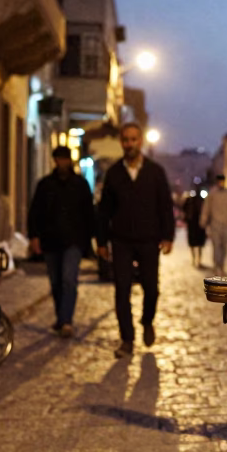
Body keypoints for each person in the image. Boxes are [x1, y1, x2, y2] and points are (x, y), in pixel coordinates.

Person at [96, 123, 175, 358]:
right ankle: (127, 339)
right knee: (122, 290)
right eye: (125, 140)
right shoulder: (114, 173)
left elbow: (165, 206)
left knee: (152, 288)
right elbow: (104, 210)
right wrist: (101, 241)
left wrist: (167, 236)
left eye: (133, 139)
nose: (129, 144)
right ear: (121, 142)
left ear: (140, 142)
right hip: (121, 241)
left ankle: (147, 320)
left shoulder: (155, 172)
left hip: (149, 240)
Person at [28, 146, 96, 338]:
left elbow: (89, 214)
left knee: (68, 279)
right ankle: (61, 317)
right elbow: (35, 212)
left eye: (65, 159)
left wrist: (88, 240)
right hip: (50, 241)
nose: (62, 163)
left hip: (73, 241)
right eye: (59, 159)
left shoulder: (80, 185)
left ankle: (67, 320)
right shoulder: (45, 185)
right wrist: (34, 236)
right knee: (56, 282)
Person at [199, 174, 227, 274]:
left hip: (226, 224)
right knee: (216, 246)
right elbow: (206, 208)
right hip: (215, 224)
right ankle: (216, 265)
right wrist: (203, 220)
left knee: (225, 246)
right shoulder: (212, 194)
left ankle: (221, 265)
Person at [182, 187, 206, 268]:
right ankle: (197, 259)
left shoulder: (191, 200)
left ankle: (196, 259)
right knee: (197, 243)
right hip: (195, 224)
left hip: (195, 224)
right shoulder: (200, 200)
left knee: (196, 243)